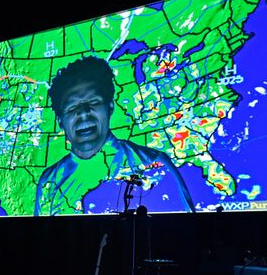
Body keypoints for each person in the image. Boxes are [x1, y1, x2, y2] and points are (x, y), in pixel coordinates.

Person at [35, 56, 195, 215]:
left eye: (93, 102)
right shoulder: (49, 181)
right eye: (72, 107)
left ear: (110, 106)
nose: (83, 113)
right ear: (60, 121)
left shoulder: (153, 164)